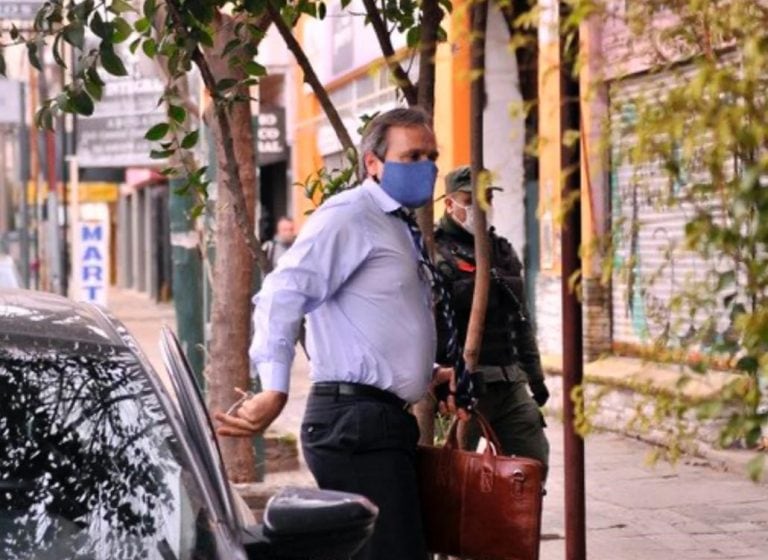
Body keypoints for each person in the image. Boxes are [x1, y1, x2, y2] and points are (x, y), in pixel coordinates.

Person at [215, 107, 443, 560]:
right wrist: (275, 389)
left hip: (379, 419)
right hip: (355, 423)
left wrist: (429, 372)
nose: (427, 167)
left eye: (432, 156)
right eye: (412, 155)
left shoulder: (396, 225)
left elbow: (373, 318)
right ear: (373, 163)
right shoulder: (349, 215)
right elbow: (282, 293)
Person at [433, 165, 550, 471]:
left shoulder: (503, 252)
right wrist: (440, 384)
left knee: (533, 464)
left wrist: (535, 377)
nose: (481, 208)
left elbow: (521, 320)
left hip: (509, 382)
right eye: (471, 201)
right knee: (456, 475)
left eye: (487, 199)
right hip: (462, 388)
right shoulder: (435, 253)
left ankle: (516, 520)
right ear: (449, 203)